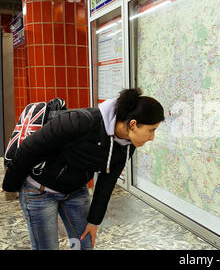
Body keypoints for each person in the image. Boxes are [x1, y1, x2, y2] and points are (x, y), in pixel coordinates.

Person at [1, 88, 164, 250]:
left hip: (75, 190)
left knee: (84, 244)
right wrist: (10, 186)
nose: (152, 137)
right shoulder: (81, 121)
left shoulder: (128, 143)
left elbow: (107, 181)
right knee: (47, 247)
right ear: (133, 124)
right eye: (151, 130)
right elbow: (28, 148)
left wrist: (94, 221)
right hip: (39, 191)